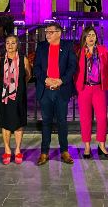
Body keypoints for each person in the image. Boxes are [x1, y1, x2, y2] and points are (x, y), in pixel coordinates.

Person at [33, 22, 77, 165]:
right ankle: (44, 152)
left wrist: (61, 81)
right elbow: (36, 68)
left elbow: (72, 67)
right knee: (46, 122)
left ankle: (64, 151)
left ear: (59, 33)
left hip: (61, 90)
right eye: (46, 31)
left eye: (50, 32)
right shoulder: (41, 47)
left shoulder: (68, 46)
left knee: (62, 122)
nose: (47, 34)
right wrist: (45, 79)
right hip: (45, 90)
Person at [74, 26, 108, 160]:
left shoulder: (102, 51)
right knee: (85, 119)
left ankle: (101, 145)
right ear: (84, 38)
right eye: (88, 35)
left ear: (96, 37)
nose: (91, 38)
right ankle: (87, 146)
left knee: (102, 118)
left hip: (99, 89)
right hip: (85, 89)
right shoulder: (79, 51)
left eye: (93, 35)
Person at [0, 34, 31, 165]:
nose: (10, 45)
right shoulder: (0, 59)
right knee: (5, 122)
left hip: (19, 95)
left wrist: (16, 86)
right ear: (5, 45)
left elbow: (28, 75)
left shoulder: (23, 59)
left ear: (17, 45)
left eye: (13, 43)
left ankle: (18, 150)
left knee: (18, 122)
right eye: (8, 42)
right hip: (5, 96)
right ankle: (7, 150)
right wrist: (8, 87)